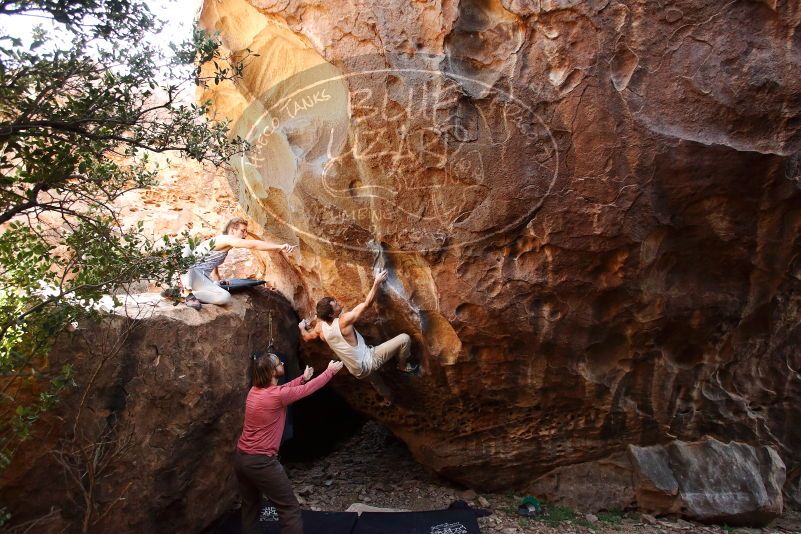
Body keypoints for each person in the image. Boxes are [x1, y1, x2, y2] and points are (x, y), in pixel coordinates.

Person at [234, 353, 344, 534]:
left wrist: (302, 378)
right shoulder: (276, 397)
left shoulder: (254, 391)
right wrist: (329, 372)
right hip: (262, 463)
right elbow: (308, 389)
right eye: (279, 363)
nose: (282, 363)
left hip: (241, 460)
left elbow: (284, 390)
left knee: (250, 506)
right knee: (289, 509)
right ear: (272, 371)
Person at [297, 269, 418, 401]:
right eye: (336, 305)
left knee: (374, 379)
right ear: (331, 314)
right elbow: (367, 304)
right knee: (404, 338)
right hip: (369, 361)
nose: (338, 303)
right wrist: (376, 282)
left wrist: (302, 327)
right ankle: (402, 366)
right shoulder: (344, 322)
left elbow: (306, 337)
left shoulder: (320, 328)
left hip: (355, 370)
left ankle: (388, 399)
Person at [181, 217, 296, 308]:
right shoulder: (225, 239)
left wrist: (217, 283)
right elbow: (253, 245)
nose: (245, 235)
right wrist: (280, 246)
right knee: (186, 249)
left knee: (224, 297)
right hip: (190, 274)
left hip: (200, 278)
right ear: (232, 230)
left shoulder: (224, 245)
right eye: (243, 231)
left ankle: (185, 295)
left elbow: (214, 269)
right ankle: (186, 292)